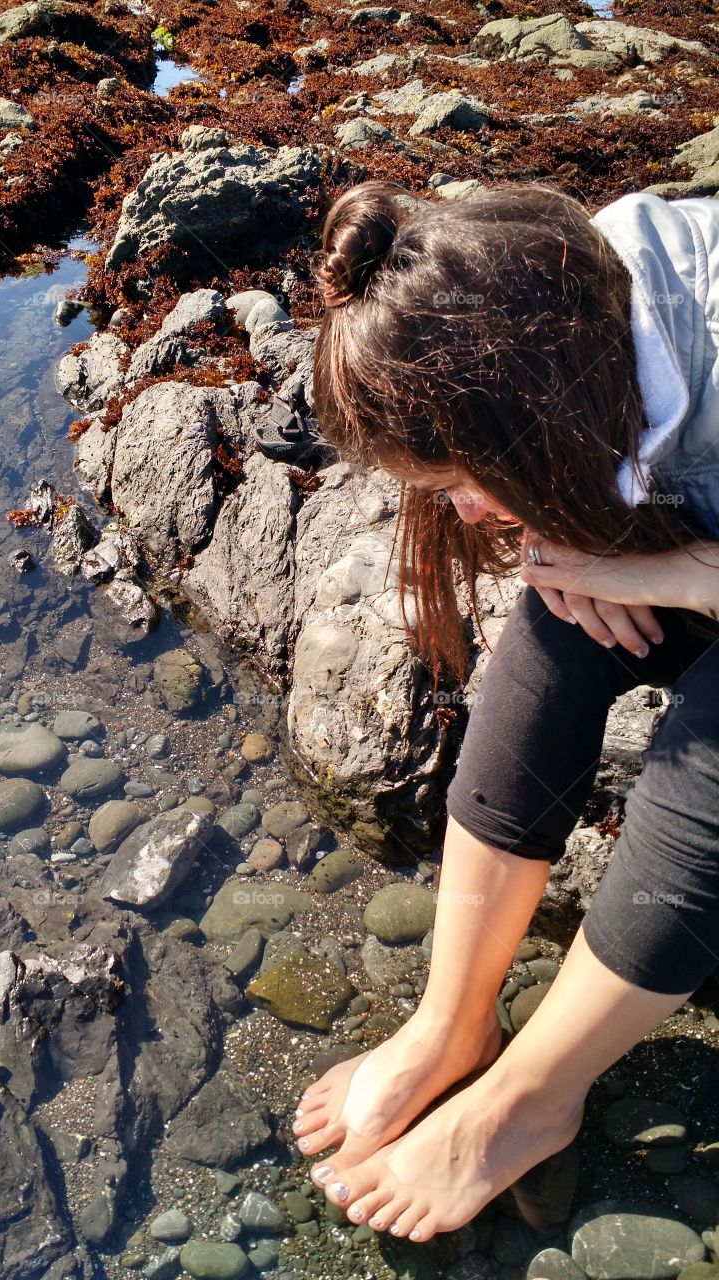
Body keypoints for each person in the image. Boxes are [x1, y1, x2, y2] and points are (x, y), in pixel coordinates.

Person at [290, 179, 719, 1243]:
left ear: (533, 410)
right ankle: (451, 1024)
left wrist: (674, 574)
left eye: (466, 482)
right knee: (554, 630)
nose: (464, 512)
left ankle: (532, 1097)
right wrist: (588, 550)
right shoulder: (579, 288)